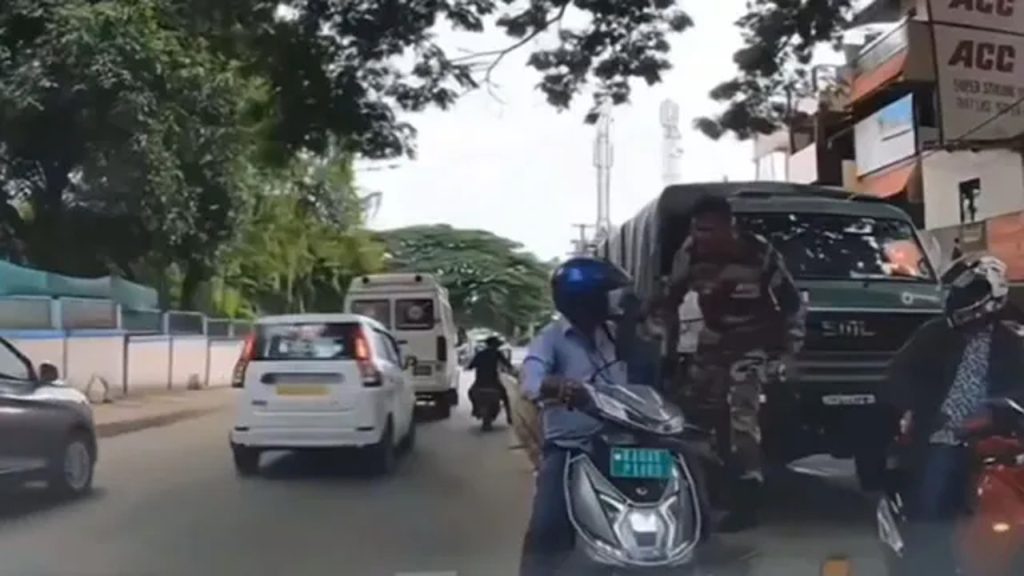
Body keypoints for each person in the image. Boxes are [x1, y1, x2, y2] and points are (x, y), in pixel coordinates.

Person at [662, 194, 805, 532]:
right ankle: (702, 489)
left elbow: (792, 303)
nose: (701, 237)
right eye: (697, 229)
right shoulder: (689, 253)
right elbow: (669, 301)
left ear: (729, 227)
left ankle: (747, 497)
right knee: (694, 418)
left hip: (754, 343)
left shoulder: (759, 253)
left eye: (709, 230)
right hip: (713, 342)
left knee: (742, 419)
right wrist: (665, 351)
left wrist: (788, 353)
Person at [882, 254, 1024, 576]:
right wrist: (921, 410)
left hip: (1008, 433)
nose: (961, 301)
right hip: (946, 434)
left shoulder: (1014, 339)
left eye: (971, 294)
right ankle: (928, 564)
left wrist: (1000, 410)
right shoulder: (933, 335)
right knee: (934, 494)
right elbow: (899, 376)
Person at [517, 257, 635, 576]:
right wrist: (554, 385)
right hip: (572, 449)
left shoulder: (615, 334)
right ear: (586, 299)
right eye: (607, 294)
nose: (615, 301)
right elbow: (529, 381)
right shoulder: (551, 338)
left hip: (624, 445)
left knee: (684, 479)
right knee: (548, 524)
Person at [468, 335, 514, 424]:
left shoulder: (480, 354)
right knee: (505, 397)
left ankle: (474, 408)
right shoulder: (497, 353)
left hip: (479, 383)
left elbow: (470, 366)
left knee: (470, 393)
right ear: (495, 345)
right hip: (493, 382)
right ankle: (509, 417)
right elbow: (507, 365)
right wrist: (511, 369)